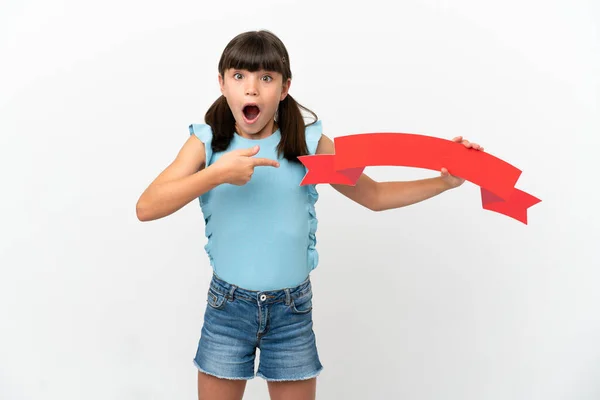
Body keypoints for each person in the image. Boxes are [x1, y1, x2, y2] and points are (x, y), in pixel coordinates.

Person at [135, 30, 483, 400]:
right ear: (222, 83)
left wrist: (443, 183)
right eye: (239, 76)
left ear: (284, 88)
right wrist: (216, 174)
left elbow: (375, 195)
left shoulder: (308, 143)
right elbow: (147, 206)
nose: (251, 90)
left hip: (291, 311)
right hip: (227, 309)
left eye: (265, 78)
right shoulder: (205, 144)